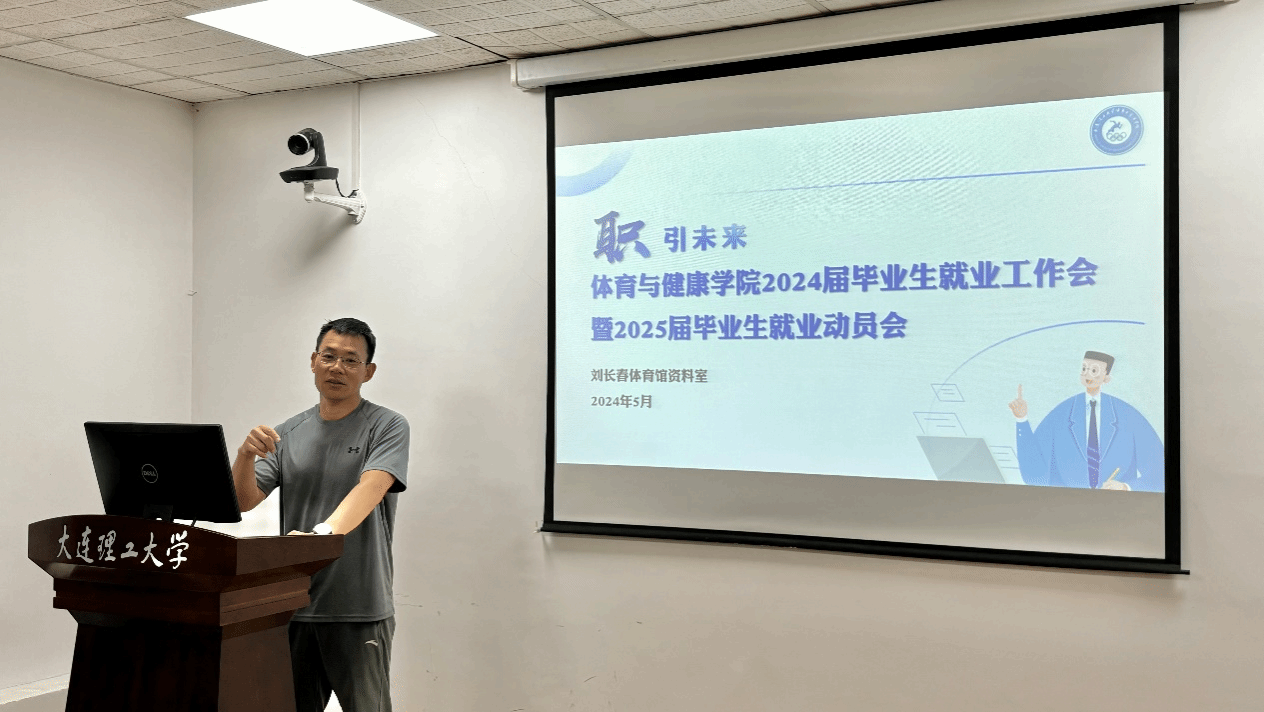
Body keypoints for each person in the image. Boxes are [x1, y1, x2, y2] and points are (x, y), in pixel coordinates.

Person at [231, 317, 409, 712]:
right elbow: (243, 501)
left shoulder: (387, 425)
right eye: (329, 357)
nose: (337, 367)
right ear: (313, 361)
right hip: (296, 604)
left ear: (368, 371)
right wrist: (244, 456)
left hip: (360, 607)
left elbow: (372, 486)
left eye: (350, 360)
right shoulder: (288, 433)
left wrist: (322, 535)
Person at [1008, 350, 1164, 491]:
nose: (1087, 374)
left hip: (1118, 507)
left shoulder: (1127, 415)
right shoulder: (1061, 413)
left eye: (1094, 370)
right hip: (1066, 506)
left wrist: (1125, 487)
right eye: (1084, 369)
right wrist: (1021, 419)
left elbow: (1160, 472)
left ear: (1107, 378)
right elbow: (1034, 474)